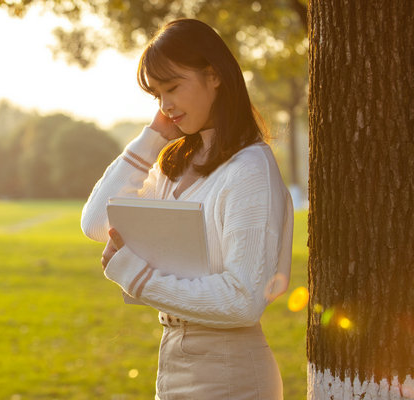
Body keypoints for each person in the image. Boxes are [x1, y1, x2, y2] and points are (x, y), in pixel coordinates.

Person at [80, 18, 293, 400]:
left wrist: (138, 277)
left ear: (214, 76)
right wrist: (154, 136)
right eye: (156, 95)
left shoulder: (250, 169)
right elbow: (96, 222)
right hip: (174, 361)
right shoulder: (173, 165)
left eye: (173, 87)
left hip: (232, 375)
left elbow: (243, 301)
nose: (165, 105)